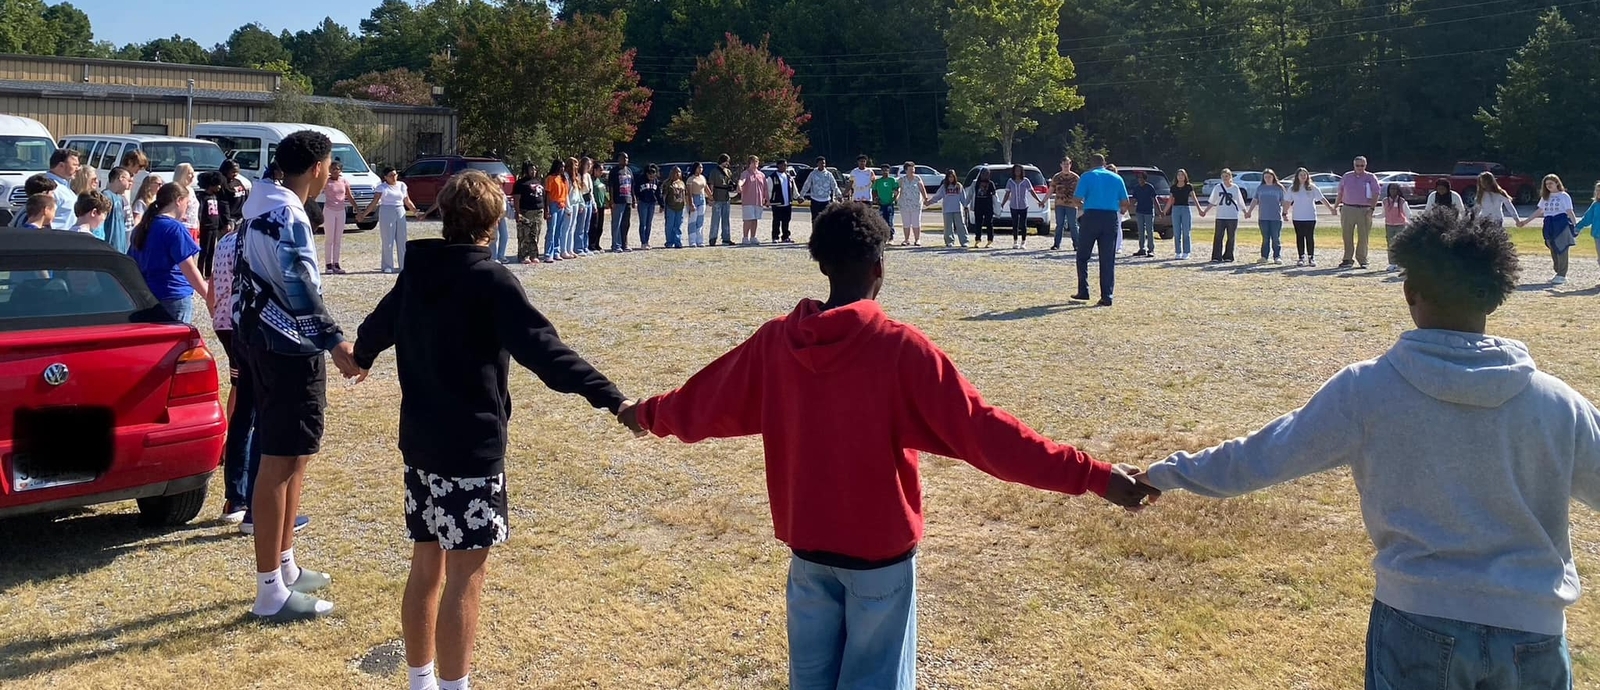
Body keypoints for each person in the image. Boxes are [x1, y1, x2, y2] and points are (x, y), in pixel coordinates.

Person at [617, 201, 1157, 690]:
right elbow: (989, 435)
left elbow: (701, 400)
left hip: (807, 551)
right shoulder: (900, 350)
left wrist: (645, 415)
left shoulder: (775, 342)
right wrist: (1093, 475)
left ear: (822, 265)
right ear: (880, 264)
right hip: (879, 559)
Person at [1134, 209, 1599, 690]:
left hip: (1417, 616)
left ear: (1408, 292)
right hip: (1536, 628)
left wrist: (1163, 473)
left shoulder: (1368, 390)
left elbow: (1259, 458)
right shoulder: (1558, 403)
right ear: (1496, 294)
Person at [349, 169, 634, 690]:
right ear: (494, 221)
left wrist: (359, 355)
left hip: (421, 444)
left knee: (426, 559)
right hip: (470, 447)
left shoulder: (419, 269)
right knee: (464, 574)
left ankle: (420, 681)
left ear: (446, 218)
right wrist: (614, 400)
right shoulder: (491, 279)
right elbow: (548, 354)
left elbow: (374, 330)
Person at [232, 130, 359, 623]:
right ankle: (269, 591)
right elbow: (300, 283)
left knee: (294, 455)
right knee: (279, 461)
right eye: (330, 163)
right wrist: (335, 341)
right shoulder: (286, 213)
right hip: (287, 347)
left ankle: (284, 565)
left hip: (266, 341)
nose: (331, 172)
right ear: (319, 167)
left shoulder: (263, 199)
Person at [127, 182, 208, 322]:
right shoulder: (175, 228)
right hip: (174, 295)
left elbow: (131, 265)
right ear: (178, 201)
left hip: (147, 297)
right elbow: (189, 268)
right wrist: (208, 296)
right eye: (186, 202)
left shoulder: (141, 228)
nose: (187, 207)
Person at [1071, 154, 1130, 307]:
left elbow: (1076, 199)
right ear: (1104, 163)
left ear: (1091, 164)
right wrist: (1119, 209)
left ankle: (1083, 291)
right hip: (1110, 217)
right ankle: (1107, 296)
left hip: (1091, 216)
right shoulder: (1116, 178)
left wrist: (1084, 205)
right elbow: (1125, 202)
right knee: (1107, 259)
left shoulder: (1087, 176)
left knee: (1083, 256)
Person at [1516, 174, 1579, 285]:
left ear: (1557, 183)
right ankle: (1558, 271)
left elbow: (1569, 211)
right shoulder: (1545, 197)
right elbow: (1539, 211)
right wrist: (1525, 222)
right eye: (1546, 184)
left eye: (1551, 183)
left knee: (1562, 247)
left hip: (1561, 223)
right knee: (1552, 246)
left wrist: (1576, 225)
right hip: (1549, 223)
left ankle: (1562, 274)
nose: (1548, 185)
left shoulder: (1564, 196)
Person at [359, 167, 418, 274]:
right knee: (388, 239)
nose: (394, 177)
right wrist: (364, 214)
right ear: (385, 177)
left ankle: (403, 265)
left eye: (395, 175)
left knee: (402, 239)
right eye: (391, 175)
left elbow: (407, 201)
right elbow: (374, 202)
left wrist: (416, 212)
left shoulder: (402, 185)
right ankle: (387, 265)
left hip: (400, 210)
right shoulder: (382, 187)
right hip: (387, 211)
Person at [1336, 155, 1382, 269]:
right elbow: (1340, 193)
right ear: (1354, 165)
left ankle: (1362, 259)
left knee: (1364, 236)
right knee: (1347, 235)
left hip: (1365, 209)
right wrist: (1335, 206)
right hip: (1348, 208)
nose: (1359, 167)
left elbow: (1376, 193)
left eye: (1362, 165)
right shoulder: (1347, 176)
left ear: (1365, 165)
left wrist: (1371, 209)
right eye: (1357, 165)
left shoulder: (1371, 177)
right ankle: (1347, 259)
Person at [1286, 168, 1332, 267]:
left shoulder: (1312, 187)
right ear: (1297, 177)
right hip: (1297, 217)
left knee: (1309, 236)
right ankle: (1301, 257)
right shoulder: (1292, 188)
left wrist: (1331, 208)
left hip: (1310, 216)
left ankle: (1311, 257)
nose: (1303, 177)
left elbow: (1322, 198)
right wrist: (1284, 212)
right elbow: (1287, 201)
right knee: (1300, 236)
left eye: (1305, 175)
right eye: (1301, 175)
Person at [1202, 168, 1247, 263]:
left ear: (1230, 177)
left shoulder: (1235, 188)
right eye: (1223, 176)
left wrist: (1245, 211)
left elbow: (1240, 201)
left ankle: (1228, 256)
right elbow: (1212, 201)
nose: (1225, 178)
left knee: (1231, 237)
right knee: (1218, 236)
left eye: (1227, 176)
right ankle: (1216, 256)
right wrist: (1205, 211)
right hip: (1220, 216)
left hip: (1232, 216)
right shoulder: (1218, 187)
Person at [1244, 169, 1287, 264]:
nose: (1268, 178)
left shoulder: (1278, 188)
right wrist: (1249, 211)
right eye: (1266, 177)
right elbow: (1255, 200)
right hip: (1263, 217)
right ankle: (1264, 256)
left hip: (1275, 217)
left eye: (1269, 177)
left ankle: (1277, 256)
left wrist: (1285, 213)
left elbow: (1284, 202)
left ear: (1273, 177)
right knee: (1265, 238)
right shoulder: (1260, 188)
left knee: (1275, 238)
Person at [998, 164, 1041, 250]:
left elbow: (1031, 191)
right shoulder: (1010, 181)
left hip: (1023, 205)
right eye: (1016, 170)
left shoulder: (1025, 181)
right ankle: (1015, 241)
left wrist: (1039, 200)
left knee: (1023, 224)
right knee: (1014, 224)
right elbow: (1007, 194)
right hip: (1013, 205)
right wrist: (1002, 203)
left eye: (1019, 170)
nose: (1017, 172)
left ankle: (1023, 242)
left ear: (1022, 171)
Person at [323, 161, 353, 275]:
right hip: (329, 210)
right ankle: (328, 264)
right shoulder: (326, 181)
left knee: (338, 239)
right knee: (329, 239)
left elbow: (349, 196)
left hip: (341, 211)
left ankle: (336, 263)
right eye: (333, 169)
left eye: (337, 169)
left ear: (340, 170)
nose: (335, 171)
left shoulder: (344, 181)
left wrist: (359, 210)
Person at [513, 162, 546, 264]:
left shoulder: (538, 181)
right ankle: (523, 255)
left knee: (535, 234)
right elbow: (516, 199)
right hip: (525, 211)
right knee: (524, 235)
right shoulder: (520, 183)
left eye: (535, 169)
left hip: (538, 212)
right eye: (531, 169)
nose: (533, 171)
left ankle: (534, 255)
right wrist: (518, 212)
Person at [927, 170, 969, 248]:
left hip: (957, 209)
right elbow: (937, 196)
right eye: (949, 177)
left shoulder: (958, 186)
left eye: (952, 177)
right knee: (948, 226)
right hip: (947, 209)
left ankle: (964, 241)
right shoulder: (944, 187)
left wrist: (966, 206)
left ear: (955, 177)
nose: (951, 178)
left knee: (961, 226)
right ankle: (949, 241)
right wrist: (929, 202)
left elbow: (963, 198)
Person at [1163, 169, 1197, 260]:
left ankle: (1186, 252)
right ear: (1176, 177)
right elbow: (1170, 200)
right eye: (1178, 175)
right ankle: (1178, 252)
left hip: (1185, 209)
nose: (1180, 177)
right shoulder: (1173, 187)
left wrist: (1200, 209)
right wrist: (1165, 210)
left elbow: (1194, 198)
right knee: (1177, 232)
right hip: (1176, 209)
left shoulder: (1189, 187)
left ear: (1185, 176)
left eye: (1182, 175)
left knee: (1186, 231)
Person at [1049, 158, 1081, 251]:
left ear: (1070, 164)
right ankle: (1056, 244)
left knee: (1073, 225)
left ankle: (1077, 244)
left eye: (1067, 164)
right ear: (1061, 165)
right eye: (1064, 164)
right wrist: (1043, 200)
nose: (1066, 166)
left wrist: (1081, 201)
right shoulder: (1057, 177)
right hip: (1059, 204)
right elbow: (1051, 189)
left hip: (1071, 204)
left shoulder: (1076, 177)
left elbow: (1080, 190)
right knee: (1059, 224)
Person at [541, 159, 570, 264]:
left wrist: (567, 207)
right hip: (553, 205)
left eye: (563, 167)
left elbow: (566, 193)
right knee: (551, 230)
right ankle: (548, 254)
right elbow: (547, 195)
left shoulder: (563, 179)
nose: (562, 169)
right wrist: (547, 208)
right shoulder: (550, 178)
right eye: (561, 166)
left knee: (559, 230)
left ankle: (556, 251)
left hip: (561, 205)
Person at [45, 148, 79, 230]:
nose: (78, 169)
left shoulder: (65, 187)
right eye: (74, 165)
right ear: (61, 165)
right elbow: (43, 219)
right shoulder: (50, 188)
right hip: (56, 239)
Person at [1381, 183, 1412, 273]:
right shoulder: (1385, 201)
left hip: (1400, 225)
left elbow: (1408, 214)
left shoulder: (1402, 201)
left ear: (1398, 190)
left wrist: (1411, 223)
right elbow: (1383, 214)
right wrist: (1372, 215)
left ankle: (1400, 263)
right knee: (1390, 244)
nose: (1393, 191)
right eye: (1391, 189)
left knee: (1400, 244)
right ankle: (1392, 263)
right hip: (1389, 225)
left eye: (1395, 189)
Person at [800, 156, 840, 221]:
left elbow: (834, 186)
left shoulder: (829, 175)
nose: (823, 165)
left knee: (826, 219)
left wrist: (839, 195)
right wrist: (801, 195)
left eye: (824, 163)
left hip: (826, 200)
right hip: (815, 200)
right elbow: (807, 185)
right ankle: (815, 231)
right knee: (815, 219)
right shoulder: (813, 174)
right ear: (817, 164)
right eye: (821, 163)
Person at [739, 156, 768, 246]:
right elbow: (742, 180)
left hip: (758, 201)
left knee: (755, 219)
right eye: (753, 162)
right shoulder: (745, 173)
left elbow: (765, 188)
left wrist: (767, 199)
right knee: (748, 219)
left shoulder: (761, 175)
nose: (755, 163)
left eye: (756, 161)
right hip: (748, 201)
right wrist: (739, 185)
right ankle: (745, 237)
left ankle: (753, 237)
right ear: (749, 163)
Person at [1129, 171, 1159, 257]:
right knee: (1140, 230)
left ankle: (1151, 249)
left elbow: (1154, 199)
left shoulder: (1150, 187)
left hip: (1148, 211)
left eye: (1141, 178)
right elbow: (1134, 200)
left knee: (1149, 230)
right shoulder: (1137, 188)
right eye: (1138, 178)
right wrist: (1128, 207)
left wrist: (1159, 210)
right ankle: (1142, 248)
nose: (1140, 180)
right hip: (1139, 211)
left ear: (1145, 179)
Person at [608, 153, 635, 252]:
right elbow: (610, 186)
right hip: (618, 200)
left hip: (627, 199)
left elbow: (632, 185)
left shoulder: (629, 171)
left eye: (627, 158)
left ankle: (625, 244)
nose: (626, 160)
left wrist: (633, 198)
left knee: (626, 223)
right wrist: (611, 200)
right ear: (619, 159)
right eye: (624, 158)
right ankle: (616, 245)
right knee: (616, 223)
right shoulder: (614, 171)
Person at [897, 162, 927, 246]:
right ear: (906, 170)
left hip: (916, 204)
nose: (912, 171)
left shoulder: (917, 178)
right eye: (910, 169)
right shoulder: (901, 180)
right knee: (906, 223)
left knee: (916, 222)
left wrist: (926, 198)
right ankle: (906, 239)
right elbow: (897, 189)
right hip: (904, 205)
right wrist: (895, 197)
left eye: (913, 169)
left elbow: (922, 189)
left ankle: (917, 239)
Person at [103, 167, 132, 253]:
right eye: (128, 180)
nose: (130, 183)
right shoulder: (106, 196)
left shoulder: (120, 198)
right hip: (110, 246)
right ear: (121, 178)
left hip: (121, 247)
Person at [709, 153, 736, 246]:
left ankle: (726, 238)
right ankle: (712, 238)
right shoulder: (714, 172)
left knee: (726, 219)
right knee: (715, 219)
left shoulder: (728, 171)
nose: (727, 164)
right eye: (726, 161)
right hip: (717, 196)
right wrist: (711, 197)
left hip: (726, 197)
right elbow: (711, 185)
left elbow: (730, 182)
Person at [769, 160, 797, 243]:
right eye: (783, 165)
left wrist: (797, 197)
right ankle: (775, 237)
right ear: (778, 166)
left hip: (787, 203)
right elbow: (769, 190)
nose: (785, 167)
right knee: (776, 221)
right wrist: (768, 200)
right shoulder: (772, 177)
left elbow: (793, 189)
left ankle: (785, 237)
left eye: (786, 165)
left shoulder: (789, 177)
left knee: (786, 221)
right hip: (777, 203)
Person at [969, 168, 997, 248]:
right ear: (980, 174)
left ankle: (990, 240)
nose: (985, 175)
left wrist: (998, 205)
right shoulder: (976, 183)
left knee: (989, 223)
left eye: (987, 174)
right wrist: (965, 204)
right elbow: (970, 194)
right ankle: (977, 239)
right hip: (978, 206)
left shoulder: (991, 184)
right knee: (978, 223)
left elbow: (995, 195)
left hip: (988, 207)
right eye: (983, 174)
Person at [636, 163, 660, 250]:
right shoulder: (640, 180)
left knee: (649, 223)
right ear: (646, 173)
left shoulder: (656, 181)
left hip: (652, 203)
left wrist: (662, 204)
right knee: (643, 223)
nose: (652, 176)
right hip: (643, 203)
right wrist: (637, 198)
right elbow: (636, 189)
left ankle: (647, 241)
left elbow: (658, 193)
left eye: (653, 174)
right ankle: (643, 242)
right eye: (650, 174)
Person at [663, 166, 688, 249]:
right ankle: (669, 241)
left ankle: (678, 241)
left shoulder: (682, 183)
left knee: (678, 225)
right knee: (670, 225)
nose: (677, 174)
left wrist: (686, 204)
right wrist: (663, 205)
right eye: (675, 172)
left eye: (679, 172)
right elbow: (664, 195)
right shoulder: (667, 183)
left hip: (680, 206)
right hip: (670, 206)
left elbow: (684, 194)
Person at [174, 163, 200, 241]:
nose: (193, 176)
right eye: (189, 173)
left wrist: (197, 224)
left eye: (193, 173)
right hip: (183, 227)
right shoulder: (177, 190)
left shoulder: (191, 190)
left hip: (193, 227)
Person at [687, 162, 709, 248]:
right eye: (699, 168)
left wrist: (711, 197)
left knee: (700, 221)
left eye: (702, 168)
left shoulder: (702, 177)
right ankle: (692, 241)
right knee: (693, 221)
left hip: (702, 199)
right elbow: (689, 193)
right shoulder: (691, 179)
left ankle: (700, 240)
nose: (701, 169)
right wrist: (691, 203)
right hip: (694, 198)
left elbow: (706, 188)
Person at [872, 167, 899, 235]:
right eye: (883, 170)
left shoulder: (892, 180)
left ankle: (890, 236)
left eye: (886, 170)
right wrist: (876, 199)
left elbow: (896, 189)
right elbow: (874, 190)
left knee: (889, 220)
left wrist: (894, 198)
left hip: (890, 203)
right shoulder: (878, 181)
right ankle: (883, 235)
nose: (885, 172)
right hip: (881, 203)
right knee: (881, 220)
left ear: (889, 171)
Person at [589, 160, 608, 253]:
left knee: (600, 226)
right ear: (595, 170)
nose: (601, 172)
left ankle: (597, 244)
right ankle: (591, 245)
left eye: (602, 170)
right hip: (594, 206)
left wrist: (607, 201)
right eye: (600, 170)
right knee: (594, 226)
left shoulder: (600, 180)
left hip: (601, 206)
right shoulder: (591, 180)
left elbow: (603, 193)